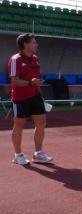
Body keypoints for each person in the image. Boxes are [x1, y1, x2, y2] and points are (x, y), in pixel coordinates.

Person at [8, 33, 53, 165]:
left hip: (35, 95)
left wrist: (37, 83)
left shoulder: (35, 58)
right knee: (19, 125)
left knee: (41, 123)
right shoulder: (15, 59)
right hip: (20, 97)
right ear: (25, 45)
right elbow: (14, 81)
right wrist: (30, 83)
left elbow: (34, 78)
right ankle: (18, 155)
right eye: (34, 42)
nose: (36, 44)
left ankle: (38, 153)